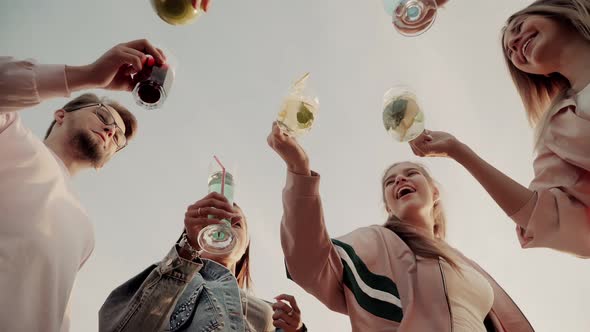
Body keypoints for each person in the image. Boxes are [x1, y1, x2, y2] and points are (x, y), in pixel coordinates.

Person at [267, 122, 533, 331]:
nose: (400, 180)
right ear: (388, 206)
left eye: (411, 173)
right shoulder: (376, 241)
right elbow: (309, 263)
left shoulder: (465, 265)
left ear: (435, 192)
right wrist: (299, 171)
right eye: (390, 181)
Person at [0, 39, 165, 332]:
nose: (111, 130)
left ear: (104, 163)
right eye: (102, 115)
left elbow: (56, 307)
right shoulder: (10, 134)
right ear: (60, 114)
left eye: (118, 139)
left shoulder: (86, 230)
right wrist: (88, 74)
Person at [409, 0, 590, 258]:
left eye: (518, 27)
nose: (515, 45)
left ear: (557, 10)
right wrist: (458, 151)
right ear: (538, 73)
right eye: (511, 53)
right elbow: (544, 218)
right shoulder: (556, 133)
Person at [99, 192, 307, 332]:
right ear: (196, 231)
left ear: (245, 247)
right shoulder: (166, 278)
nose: (225, 226)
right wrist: (187, 249)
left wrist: (297, 330)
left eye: (236, 223)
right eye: (214, 218)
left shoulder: (269, 310)